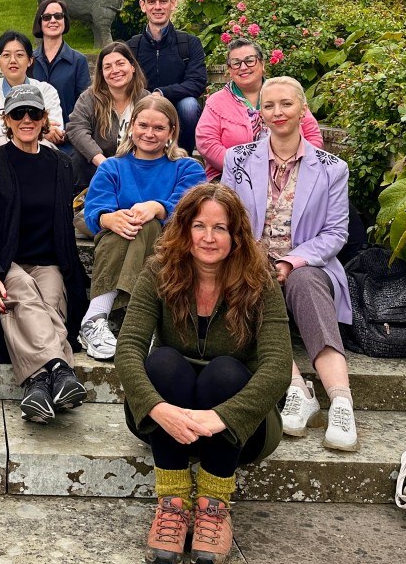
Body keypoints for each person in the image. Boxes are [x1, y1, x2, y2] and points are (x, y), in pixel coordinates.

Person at [115, 184, 292, 564]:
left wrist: (221, 416)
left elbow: (278, 368)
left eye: (220, 228)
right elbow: (128, 348)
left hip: (240, 427)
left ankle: (213, 506)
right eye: (199, 226)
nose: (208, 238)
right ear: (184, 228)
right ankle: (173, 503)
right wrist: (158, 409)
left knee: (226, 372)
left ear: (236, 234)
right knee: (161, 361)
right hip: (170, 420)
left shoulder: (259, 280)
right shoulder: (159, 271)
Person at [221, 76, 358, 452]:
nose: (277, 112)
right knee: (246, 281)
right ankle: (297, 387)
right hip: (248, 261)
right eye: (269, 106)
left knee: (306, 283)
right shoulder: (239, 160)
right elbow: (228, 220)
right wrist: (254, 259)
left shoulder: (332, 168)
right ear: (260, 112)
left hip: (307, 263)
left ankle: (341, 401)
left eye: (286, 104)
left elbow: (335, 233)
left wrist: (291, 261)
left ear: (303, 109)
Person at [0, 85, 89, 423]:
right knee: (20, 293)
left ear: (44, 118)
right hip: (6, 262)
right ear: (6, 119)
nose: (26, 119)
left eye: (33, 113)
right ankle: (60, 371)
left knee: (51, 300)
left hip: (49, 260)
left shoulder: (62, 165)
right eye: (18, 113)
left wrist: (71, 274)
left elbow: (66, 224)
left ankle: (37, 385)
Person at [79, 94, 206, 360]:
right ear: (131, 126)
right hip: (117, 240)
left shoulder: (187, 168)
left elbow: (192, 206)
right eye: (143, 125)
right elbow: (94, 209)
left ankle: (97, 314)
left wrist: (157, 208)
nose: (150, 133)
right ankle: (117, 322)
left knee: (145, 224)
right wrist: (108, 219)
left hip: (169, 246)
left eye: (159, 128)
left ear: (172, 131)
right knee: (123, 225)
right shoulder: (112, 167)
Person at [197, 38, 323, 181]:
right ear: (230, 70)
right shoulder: (216, 102)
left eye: (250, 60)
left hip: (293, 174)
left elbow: (313, 136)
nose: (243, 67)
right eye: (236, 63)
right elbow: (206, 142)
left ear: (262, 64)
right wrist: (243, 169)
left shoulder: (286, 92)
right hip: (233, 176)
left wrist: (293, 166)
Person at [126, 0, 206, 154]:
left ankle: (182, 156)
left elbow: (197, 82)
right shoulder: (132, 47)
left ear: (173, 3)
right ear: (143, 5)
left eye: (163, 1)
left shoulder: (189, 43)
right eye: (151, 2)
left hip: (177, 106)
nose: (158, 7)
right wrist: (148, 98)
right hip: (141, 104)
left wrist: (162, 93)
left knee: (189, 106)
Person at [67, 41, 150, 187]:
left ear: (132, 67)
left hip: (139, 167)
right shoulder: (89, 98)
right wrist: (103, 163)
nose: (115, 70)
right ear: (101, 73)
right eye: (108, 67)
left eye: (120, 63)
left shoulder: (147, 100)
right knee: (78, 156)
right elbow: (76, 128)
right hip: (99, 168)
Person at [0, 30, 64, 150]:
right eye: (6, 55)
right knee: (3, 141)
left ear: (30, 61)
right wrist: (39, 126)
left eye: (20, 55)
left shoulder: (46, 90)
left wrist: (3, 120)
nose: (13, 60)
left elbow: (56, 128)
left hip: (38, 152)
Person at [29, 0, 91, 132]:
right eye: (46, 17)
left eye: (58, 16)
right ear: (39, 22)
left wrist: (65, 132)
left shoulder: (78, 61)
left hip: (68, 137)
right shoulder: (29, 61)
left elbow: (84, 106)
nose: (53, 20)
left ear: (65, 21)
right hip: (33, 135)